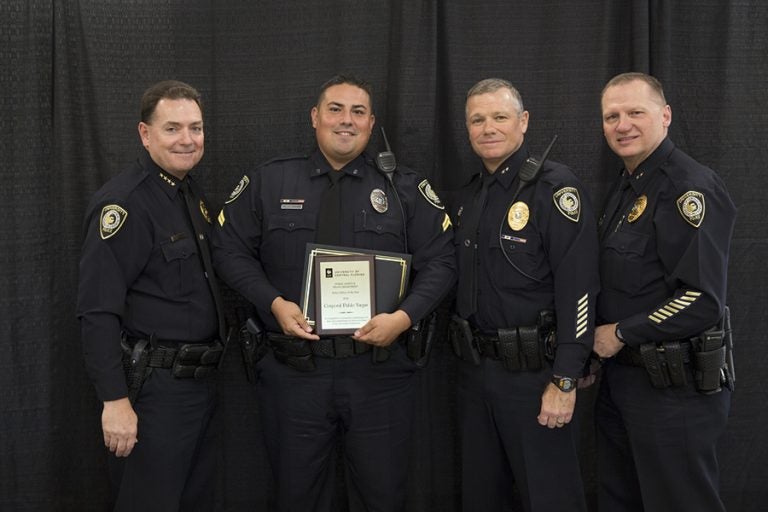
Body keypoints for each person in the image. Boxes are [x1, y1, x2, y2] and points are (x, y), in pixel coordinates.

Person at [212, 74, 456, 511]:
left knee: (383, 496)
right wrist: (274, 303)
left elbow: (442, 262)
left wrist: (403, 319)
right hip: (295, 375)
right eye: (335, 109)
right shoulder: (270, 182)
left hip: (379, 374)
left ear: (371, 121)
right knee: (296, 495)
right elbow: (228, 251)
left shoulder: (402, 188)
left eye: (358, 112)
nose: (346, 121)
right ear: (315, 117)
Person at [448, 78, 598, 511]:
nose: (488, 128)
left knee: (549, 497)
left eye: (499, 117)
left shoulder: (553, 189)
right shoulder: (470, 196)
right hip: (475, 375)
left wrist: (565, 378)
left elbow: (581, 290)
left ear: (523, 122)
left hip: (535, 378)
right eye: (477, 119)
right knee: (482, 496)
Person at [76, 80, 225, 511]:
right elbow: (96, 310)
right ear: (145, 134)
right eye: (173, 128)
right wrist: (114, 400)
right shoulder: (124, 203)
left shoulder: (188, 193)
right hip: (152, 392)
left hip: (199, 386)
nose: (187, 140)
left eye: (195, 128)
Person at [594, 72, 736, 512]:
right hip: (624, 383)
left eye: (636, 112)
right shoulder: (626, 185)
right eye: (612, 116)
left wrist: (620, 332)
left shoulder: (687, 188)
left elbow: (703, 298)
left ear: (666, 115)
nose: (623, 125)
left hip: (674, 391)